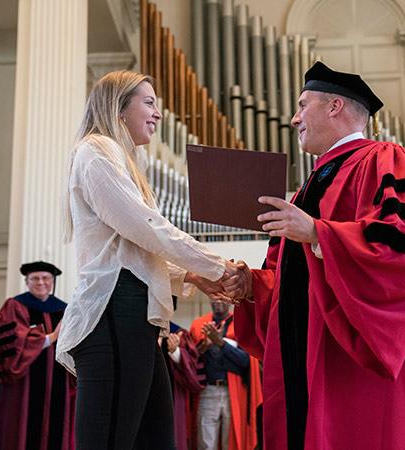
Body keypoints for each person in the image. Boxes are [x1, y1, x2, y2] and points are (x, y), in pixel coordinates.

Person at [222, 61, 405, 450]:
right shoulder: (305, 189)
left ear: (334, 107)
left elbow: (403, 255)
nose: (294, 119)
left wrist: (317, 232)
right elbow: (289, 285)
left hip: (353, 363)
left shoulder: (386, 159)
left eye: (301, 105)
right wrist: (249, 285)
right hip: (307, 359)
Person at [57, 69, 237, 449]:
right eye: (150, 102)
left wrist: (192, 274)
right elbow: (146, 228)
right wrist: (216, 266)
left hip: (137, 312)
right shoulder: (96, 151)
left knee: (155, 437)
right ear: (119, 108)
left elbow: (136, 248)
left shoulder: (123, 160)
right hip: (113, 309)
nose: (157, 113)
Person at [0, 260, 76, 450]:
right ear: (27, 282)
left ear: (53, 282)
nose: (41, 282)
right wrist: (50, 338)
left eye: (46, 278)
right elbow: (12, 343)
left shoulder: (65, 309)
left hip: (59, 382)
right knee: (23, 432)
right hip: (23, 384)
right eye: (35, 278)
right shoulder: (15, 306)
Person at [189, 301, 262, 450]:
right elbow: (191, 361)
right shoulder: (199, 325)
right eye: (214, 296)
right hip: (208, 390)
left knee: (231, 440)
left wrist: (221, 343)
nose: (218, 301)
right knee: (206, 442)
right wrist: (205, 346)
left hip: (234, 392)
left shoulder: (241, 325)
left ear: (229, 301)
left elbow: (247, 361)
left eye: (222, 297)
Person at [162, 322, 204, 450]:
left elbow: (193, 373)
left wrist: (175, 352)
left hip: (171, 397)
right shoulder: (138, 331)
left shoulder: (178, 334)